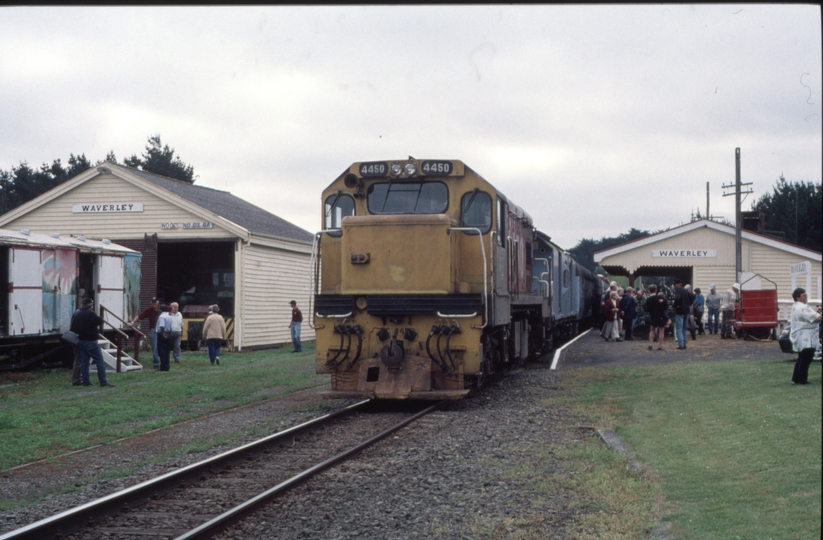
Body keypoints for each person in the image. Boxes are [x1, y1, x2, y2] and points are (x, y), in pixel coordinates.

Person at [71, 297, 114, 387]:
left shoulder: (78, 314)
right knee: (99, 361)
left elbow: (74, 327)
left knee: (84, 362)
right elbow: (100, 321)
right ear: (91, 306)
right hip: (91, 341)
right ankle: (103, 381)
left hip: (81, 341)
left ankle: (86, 381)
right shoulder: (90, 314)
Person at [789, 287, 822, 385]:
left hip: (800, 336)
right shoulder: (803, 307)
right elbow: (816, 319)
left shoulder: (796, 306)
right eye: (804, 295)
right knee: (806, 358)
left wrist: (817, 312)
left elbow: (809, 317)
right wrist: (819, 314)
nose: (806, 297)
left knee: (801, 358)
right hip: (806, 337)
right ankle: (802, 380)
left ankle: (795, 379)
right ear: (798, 297)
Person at [128, 297, 162, 369]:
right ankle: (156, 364)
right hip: (154, 330)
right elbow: (139, 316)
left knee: (162, 347)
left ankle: (164, 363)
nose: (153, 304)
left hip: (162, 330)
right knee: (154, 348)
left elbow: (171, 310)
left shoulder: (162, 308)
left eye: (155, 303)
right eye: (152, 303)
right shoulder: (149, 310)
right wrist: (132, 322)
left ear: (158, 303)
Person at [646, 284, 669, 351]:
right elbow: (666, 306)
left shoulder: (648, 299)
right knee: (661, 331)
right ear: (656, 290)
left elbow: (647, 308)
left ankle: (650, 345)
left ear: (649, 291)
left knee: (652, 330)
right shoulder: (660, 297)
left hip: (653, 316)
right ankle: (660, 346)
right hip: (661, 316)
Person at [672, 279, 690, 350]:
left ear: (678, 284)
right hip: (686, 311)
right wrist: (688, 304)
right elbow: (692, 296)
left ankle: (681, 344)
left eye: (675, 284)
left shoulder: (678, 291)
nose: (674, 286)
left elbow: (677, 298)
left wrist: (675, 306)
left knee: (679, 328)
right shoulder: (685, 290)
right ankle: (685, 343)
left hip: (680, 311)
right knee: (684, 328)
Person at [155, 305, 172, 371]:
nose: (158, 310)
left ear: (161, 310)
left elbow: (162, 326)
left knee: (162, 350)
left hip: (162, 334)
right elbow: (170, 327)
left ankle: (163, 366)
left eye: (159, 309)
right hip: (168, 333)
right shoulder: (169, 317)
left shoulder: (161, 316)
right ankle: (167, 366)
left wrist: (163, 333)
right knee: (167, 351)